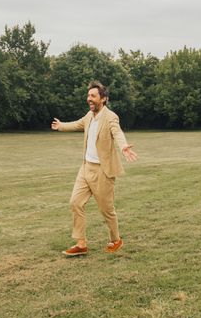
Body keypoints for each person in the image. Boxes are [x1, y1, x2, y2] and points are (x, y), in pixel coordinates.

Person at [51, 81, 137, 256]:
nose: (89, 99)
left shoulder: (111, 117)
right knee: (75, 203)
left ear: (103, 99)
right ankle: (81, 243)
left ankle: (116, 239)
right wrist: (61, 126)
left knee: (107, 210)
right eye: (88, 95)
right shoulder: (89, 116)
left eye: (93, 96)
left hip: (103, 172)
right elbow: (77, 124)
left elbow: (117, 132)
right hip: (85, 168)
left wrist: (123, 146)